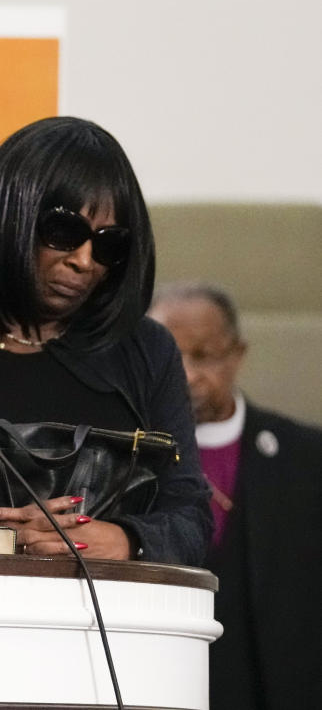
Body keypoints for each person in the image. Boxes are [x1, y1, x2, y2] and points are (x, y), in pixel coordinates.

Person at [0, 116, 211, 565]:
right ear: (8, 214)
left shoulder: (147, 351)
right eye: (64, 232)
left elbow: (192, 516)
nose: (85, 261)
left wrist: (126, 541)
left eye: (109, 244)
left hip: (106, 622)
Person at [149, 282, 322, 710]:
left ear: (237, 354)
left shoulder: (306, 456)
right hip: (158, 677)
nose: (186, 374)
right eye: (171, 358)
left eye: (204, 355)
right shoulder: (122, 454)